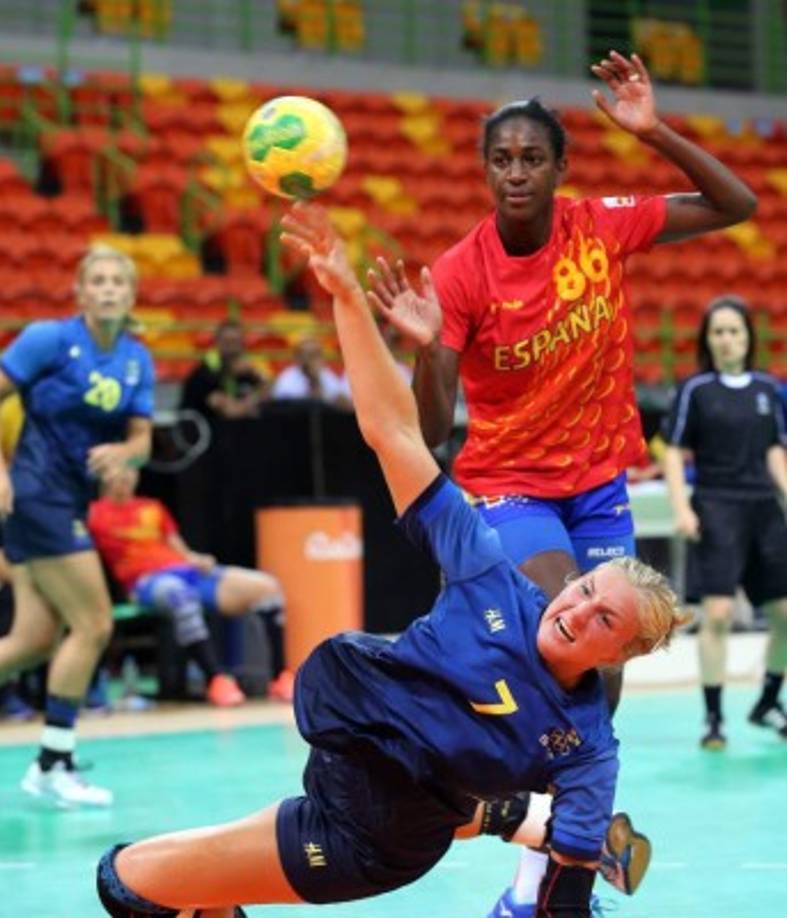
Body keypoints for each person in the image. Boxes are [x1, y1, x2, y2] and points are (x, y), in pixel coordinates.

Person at [95, 204, 687, 918]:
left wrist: (570, 867)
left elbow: (565, 894)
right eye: (587, 588)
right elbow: (392, 435)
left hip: (358, 839)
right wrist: (346, 299)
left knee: (125, 884)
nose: (576, 608)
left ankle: (531, 824)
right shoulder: (488, 573)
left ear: (619, 654)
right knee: (432, 764)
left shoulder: (587, 745)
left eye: (603, 620)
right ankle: (522, 818)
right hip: (365, 767)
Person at [366, 50, 756, 915]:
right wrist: (430, 345)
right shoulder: (461, 273)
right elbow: (430, 434)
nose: (514, 171)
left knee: (601, 676)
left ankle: (543, 870)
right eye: (500, 159)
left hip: (599, 485)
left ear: (558, 166)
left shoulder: (600, 225)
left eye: (530, 157)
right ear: (484, 170)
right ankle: (551, 842)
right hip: (509, 486)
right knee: (564, 633)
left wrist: (653, 131)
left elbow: (740, 205)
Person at [0, 243, 155, 808]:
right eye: (100, 280)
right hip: (34, 493)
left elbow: (143, 438)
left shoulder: (137, 359)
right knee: (92, 623)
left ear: (131, 294)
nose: (110, 288)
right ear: (82, 292)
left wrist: (125, 454)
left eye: (120, 280)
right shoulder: (49, 338)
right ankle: (53, 763)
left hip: (69, 499)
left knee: (33, 639)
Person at [663, 295, 787, 749]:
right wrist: (682, 507)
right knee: (715, 614)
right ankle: (713, 718)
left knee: (785, 616)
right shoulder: (695, 390)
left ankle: (768, 702)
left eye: (735, 330)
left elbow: (775, 452)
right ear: (707, 340)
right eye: (718, 331)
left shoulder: (766, 389)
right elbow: (675, 451)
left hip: (764, 510)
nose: (727, 339)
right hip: (716, 505)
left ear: (748, 337)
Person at [88, 466, 293, 705]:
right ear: (103, 476)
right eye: (118, 473)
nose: (124, 478)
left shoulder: (152, 507)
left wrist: (196, 559)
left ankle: (280, 677)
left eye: (130, 472)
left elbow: (180, 549)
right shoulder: (93, 514)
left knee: (268, 587)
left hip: (187, 572)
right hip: (146, 582)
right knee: (179, 594)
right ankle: (216, 680)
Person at [179, 320, 270, 422]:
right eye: (227, 342)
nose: (231, 348)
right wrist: (251, 405)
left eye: (235, 342)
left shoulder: (249, 371)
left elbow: (266, 393)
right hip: (209, 433)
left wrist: (255, 374)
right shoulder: (204, 373)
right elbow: (232, 412)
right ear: (217, 342)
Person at [270, 334, 352, 408]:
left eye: (317, 354)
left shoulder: (325, 374)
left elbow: (344, 404)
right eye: (309, 355)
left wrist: (317, 380)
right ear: (297, 357)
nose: (313, 360)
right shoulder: (287, 378)